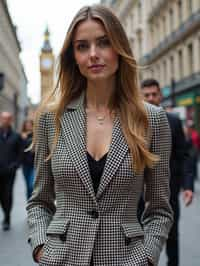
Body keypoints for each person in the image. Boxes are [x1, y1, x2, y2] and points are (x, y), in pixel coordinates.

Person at [27, 5, 173, 266]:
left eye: (104, 43)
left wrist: (147, 256)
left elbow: (160, 208)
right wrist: (41, 247)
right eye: (82, 46)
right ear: (73, 56)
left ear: (119, 48)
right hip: (62, 259)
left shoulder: (151, 119)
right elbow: (39, 200)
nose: (93, 54)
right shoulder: (51, 118)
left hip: (126, 259)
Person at [141, 79, 194, 266]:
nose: (151, 98)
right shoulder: (130, 122)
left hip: (168, 192)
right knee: (138, 243)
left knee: (172, 238)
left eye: (154, 94)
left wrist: (188, 186)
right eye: (146, 95)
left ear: (160, 96)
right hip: (136, 197)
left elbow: (184, 155)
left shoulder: (173, 121)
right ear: (141, 96)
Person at [0, 111, 22, 230]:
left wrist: (15, 165)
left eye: (7, 119)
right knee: (1, 195)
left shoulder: (16, 136)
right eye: (3, 118)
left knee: (8, 194)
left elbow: (20, 152)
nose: (5, 121)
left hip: (10, 172)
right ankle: (5, 214)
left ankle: (7, 218)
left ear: (11, 121)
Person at [21, 119, 35, 199]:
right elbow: (20, 149)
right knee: (27, 185)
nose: (28, 126)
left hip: (34, 163)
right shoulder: (21, 136)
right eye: (27, 125)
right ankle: (29, 202)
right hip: (25, 164)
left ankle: (33, 200)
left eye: (30, 124)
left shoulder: (36, 135)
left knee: (31, 185)